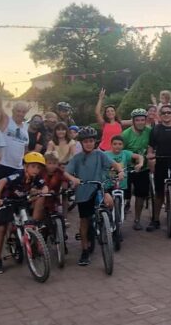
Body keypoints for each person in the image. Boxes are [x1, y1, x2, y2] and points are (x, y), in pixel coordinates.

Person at [64, 127, 123, 266]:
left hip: (99, 187)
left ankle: (112, 228)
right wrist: (73, 179)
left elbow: (114, 164)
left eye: (91, 141)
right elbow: (66, 172)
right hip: (83, 190)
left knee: (109, 202)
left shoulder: (100, 155)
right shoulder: (77, 158)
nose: (89, 144)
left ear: (94, 142)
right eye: (85, 141)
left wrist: (120, 171)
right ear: (81, 143)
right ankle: (84, 250)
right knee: (84, 221)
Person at [0, 152, 48, 274]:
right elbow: (2, 181)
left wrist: (42, 192)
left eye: (38, 167)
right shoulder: (18, 175)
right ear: (25, 166)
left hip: (22, 201)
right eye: (33, 166)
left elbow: (44, 186)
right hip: (6, 201)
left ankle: (32, 228)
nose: (36, 170)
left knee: (35, 207)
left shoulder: (36, 178)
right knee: (1, 229)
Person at [146, 104, 171, 231]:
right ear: (160, 115)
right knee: (159, 193)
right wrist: (150, 156)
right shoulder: (156, 129)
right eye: (163, 113)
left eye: (169, 112)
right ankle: (155, 220)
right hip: (161, 162)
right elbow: (151, 147)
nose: (166, 114)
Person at [121, 108, 153, 229]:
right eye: (137, 120)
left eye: (142, 120)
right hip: (128, 168)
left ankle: (137, 219)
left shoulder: (149, 131)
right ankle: (120, 216)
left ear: (146, 120)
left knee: (140, 195)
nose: (140, 122)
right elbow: (119, 151)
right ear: (133, 121)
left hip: (143, 168)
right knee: (125, 194)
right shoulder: (125, 134)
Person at [108, 135, 143, 217]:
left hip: (122, 185)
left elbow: (139, 156)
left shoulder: (125, 153)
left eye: (120, 144)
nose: (117, 146)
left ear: (123, 145)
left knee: (120, 204)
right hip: (109, 184)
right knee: (109, 205)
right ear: (111, 145)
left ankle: (119, 219)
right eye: (115, 144)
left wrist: (140, 164)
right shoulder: (106, 154)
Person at [0, 101, 31, 180]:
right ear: (13, 111)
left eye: (23, 112)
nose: (20, 114)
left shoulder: (26, 126)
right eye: (18, 111)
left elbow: (25, 148)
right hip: (2, 164)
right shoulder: (6, 121)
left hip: (17, 168)